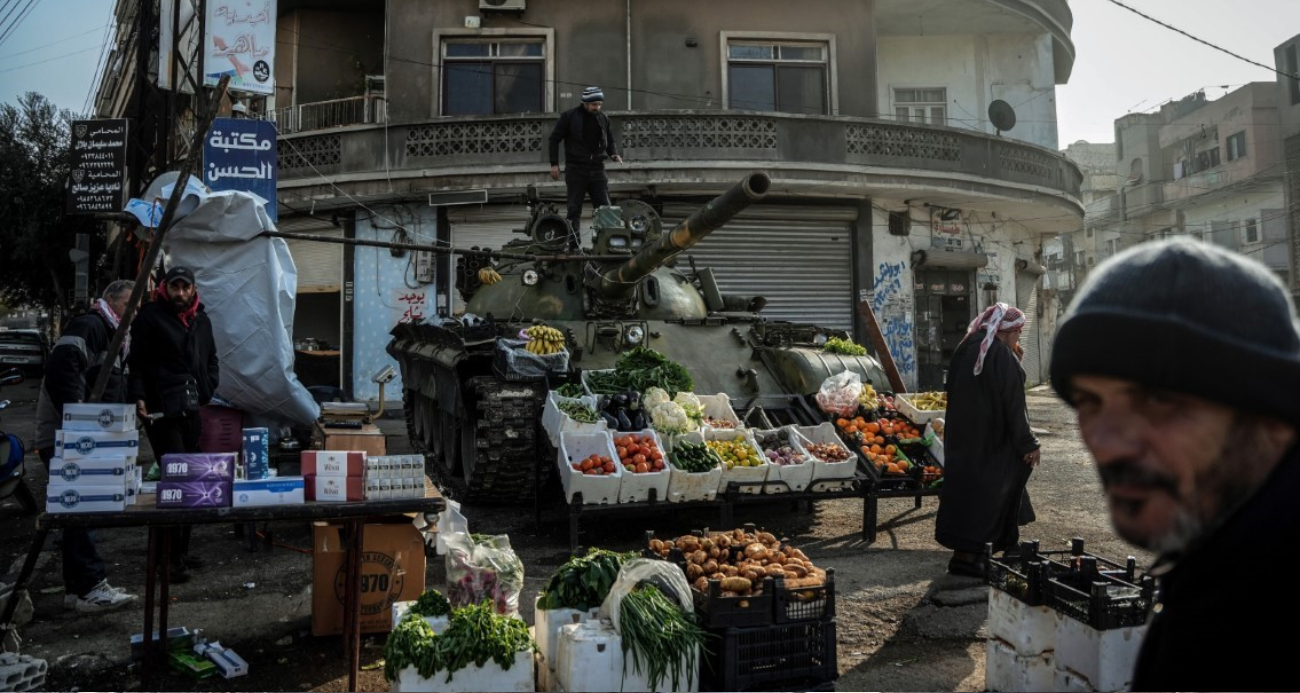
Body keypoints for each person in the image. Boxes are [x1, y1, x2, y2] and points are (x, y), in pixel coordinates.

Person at [1050, 238, 1300, 690]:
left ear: (1275, 418)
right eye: (1089, 401)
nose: (1105, 444)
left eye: (1158, 400)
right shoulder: (1218, 567)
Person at [32, 281, 139, 612]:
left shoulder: (116, 336)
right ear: (109, 302)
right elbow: (63, 368)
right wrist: (79, 422)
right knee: (81, 509)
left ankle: (79, 588)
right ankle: (88, 587)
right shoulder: (92, 325)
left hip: (87, 436)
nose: (131, 314)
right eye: (127, 307)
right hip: (71, 436)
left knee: (79, 510)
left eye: (135, 309)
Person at [934, 302, 1040, 577]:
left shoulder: (966, 348)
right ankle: (975, 557)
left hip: (962, 441)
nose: (1019, 338)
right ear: (1008, 331)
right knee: (991, 495)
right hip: (993, 442)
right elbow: (1014, 405)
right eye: (1018, 333)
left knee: (968, 495)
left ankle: (979, 553)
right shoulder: (1001, 356)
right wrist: (1028, 443)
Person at [128, 266, 220, 583]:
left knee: (191, 481)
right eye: (175, 287)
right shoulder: (150, 317)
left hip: (192, 409)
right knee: (176, 482)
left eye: (186, 287)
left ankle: (180, 552)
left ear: (194, 289)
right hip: (161, 411)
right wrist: (139, 396)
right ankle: (165, 561)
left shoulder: (201, 319)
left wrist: (208, 387)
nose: (180, 293)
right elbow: (136, 362)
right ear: (165, 288)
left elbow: (211, 358)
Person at [548, 86, 623, 236]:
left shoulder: (603, 118)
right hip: (576, 169)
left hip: (597, 169)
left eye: (599, 104)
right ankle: (573, 244)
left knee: (605, 208)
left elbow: (610, 139)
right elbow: (554, 140)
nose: (597, 107)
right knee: (574, 209)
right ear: (585, 103)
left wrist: (613, 153)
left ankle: (607, 243)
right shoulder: (569, 117)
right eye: (594, 104)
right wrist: (554, 164)